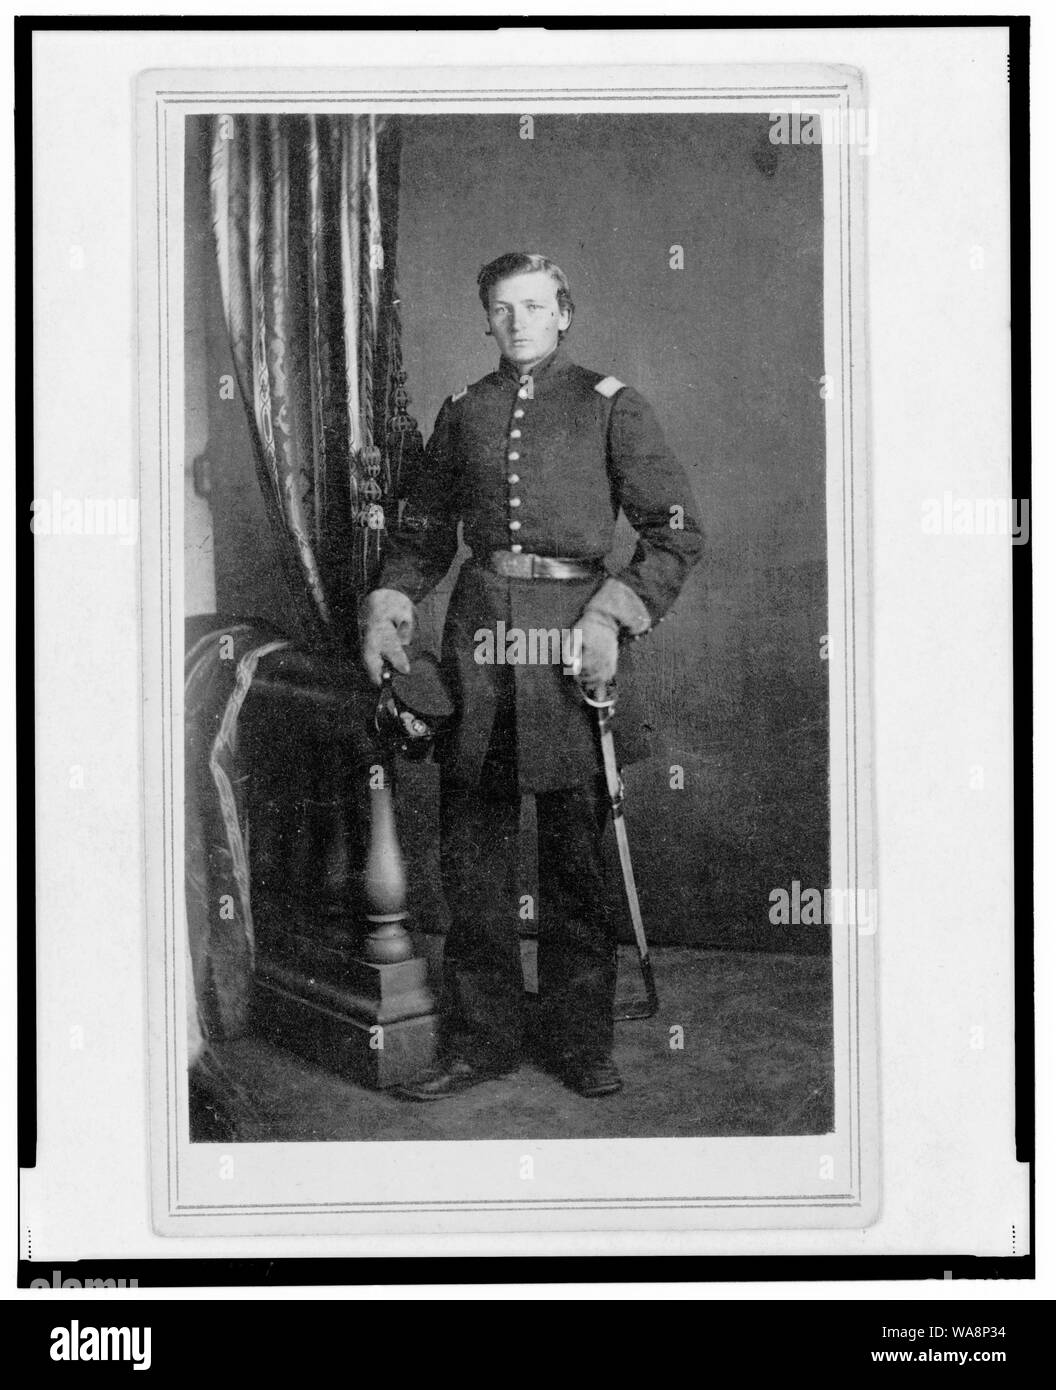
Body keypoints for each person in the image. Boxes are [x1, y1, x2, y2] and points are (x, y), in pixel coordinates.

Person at [360, 252, 703, 1099]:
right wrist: (391, 598)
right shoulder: (464, 410)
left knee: (574, 856)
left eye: (535, 306)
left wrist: (609, 614)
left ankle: (581, 1041)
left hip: (570, 650)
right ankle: (481, 1040)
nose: (519, 321)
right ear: (486, 319)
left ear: (564, 314)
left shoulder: (610, 405)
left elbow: (675, 533)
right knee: (471, 854)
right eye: (502, 308)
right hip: (479, 641)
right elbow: (426, 529)